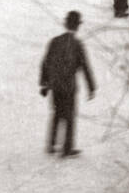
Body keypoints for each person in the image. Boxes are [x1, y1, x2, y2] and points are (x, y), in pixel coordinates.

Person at [38, 10, 96, 158]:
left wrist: (44, 84)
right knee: (69, 117)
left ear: (66, 24)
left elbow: (45, 63)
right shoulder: (77, 45)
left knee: (56, 114)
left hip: (55, 86)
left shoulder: (55, 41)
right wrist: (91, 87)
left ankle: (51, 145)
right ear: (77, 26)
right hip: (69, 87)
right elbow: (85, 67)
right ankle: (67, 148)